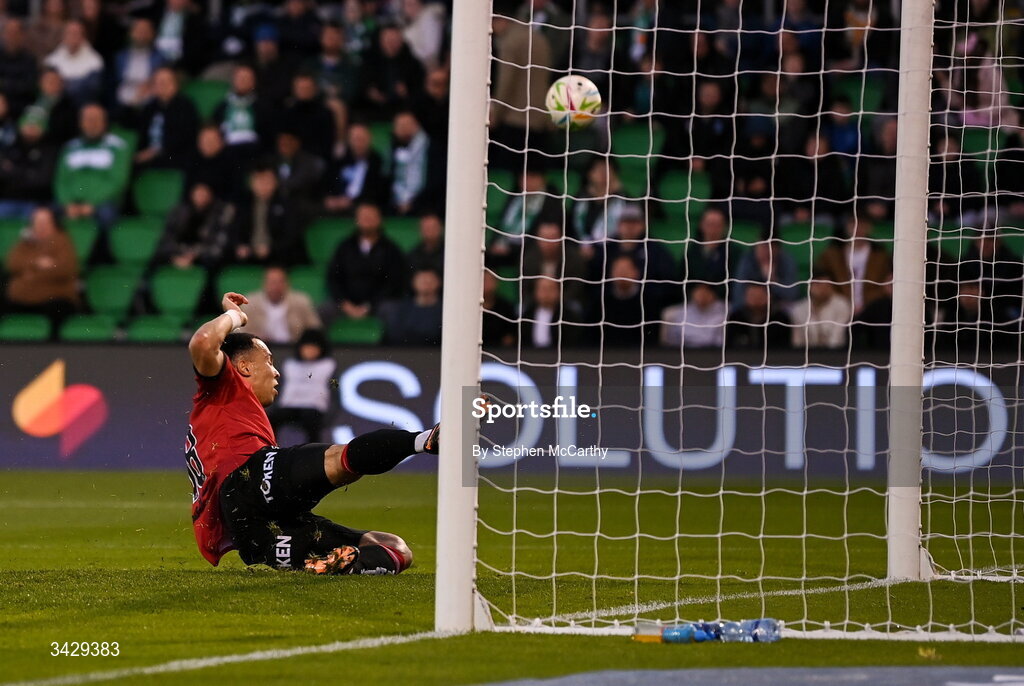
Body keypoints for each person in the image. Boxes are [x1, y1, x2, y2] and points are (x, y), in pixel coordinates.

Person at [185, 291, 440, 574]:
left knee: (394, 548)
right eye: (268, 361)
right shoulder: (222, 387)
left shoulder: (232, 412)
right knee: (337, 459)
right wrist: (236, 317)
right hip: (247, 483)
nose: (276, 372)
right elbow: (203, 342)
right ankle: (425, 440)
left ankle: (340, 565)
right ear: (243, 367)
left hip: (255, 536)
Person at [55, 104, 131, 233]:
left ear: (105, 122)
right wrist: (67, 203)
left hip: (103, 203)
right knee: (44, 215)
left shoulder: (118, 147)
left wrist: (92, 203)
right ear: (81, 123)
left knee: (106, 216)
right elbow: (61, 180)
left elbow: (118, 181)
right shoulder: (70, 148)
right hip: (72, 202)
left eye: (96, 119)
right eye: (88, 119)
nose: (92, 123)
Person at [326, 202, 408, 319]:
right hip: (346, 304)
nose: (367, 220)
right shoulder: (344, 247)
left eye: (371, 217)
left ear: (380, 220)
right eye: (363, 217)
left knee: (391, 311)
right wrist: (345, 304)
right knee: (323, 311)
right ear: (356, 220)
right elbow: (333, 278)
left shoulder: (391, 249)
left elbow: (393, 284)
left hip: (379, 304)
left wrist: (369, 306)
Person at [4, 206, 79, 334]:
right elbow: (12, 263)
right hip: (22, 299)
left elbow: (65, 269)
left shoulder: (62, 241)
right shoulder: (25, 242)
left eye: (44, 222)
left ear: (53, 223)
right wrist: (38, 264)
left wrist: (29, 272)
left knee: (58, 310)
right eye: (37, 222)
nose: (41, 226)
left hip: (52, 299)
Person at [268, 328, 336, 444]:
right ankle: (271, 447)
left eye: (314, 348)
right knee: (271, 419)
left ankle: (313, 452)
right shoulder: (289, 365)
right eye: (307, 348)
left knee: (311, 422)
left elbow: (335, 391)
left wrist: (330, 414)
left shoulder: (329, 366)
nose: (310, 351)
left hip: (314, 407)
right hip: (289, 406)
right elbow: (278, 387)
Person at [135, 67, 199, 170]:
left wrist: (155, 152)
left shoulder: (185, 106)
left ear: (175, 84)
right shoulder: (150, 107)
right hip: (147, 154)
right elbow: (128, 124)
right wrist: (137, 101)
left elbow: (184, 137)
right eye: (158, 82)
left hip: (172, 155)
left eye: (165, 81)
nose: (162, 85)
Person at [158, 183, 234, 270]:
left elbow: (217, 246)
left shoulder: (217, 215)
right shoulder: (180, 212)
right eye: (198, 193)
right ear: (192, 194)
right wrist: (174, 258)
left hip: (202, 257)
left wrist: (194, 257)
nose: (201, 197)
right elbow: (167, 239)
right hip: (178, 253)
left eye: (204, 194)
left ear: (210, 195)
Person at [240, 266, 323, 345]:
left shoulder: (301, 302)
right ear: (264, 283)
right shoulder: (250, 303)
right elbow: (239, 331)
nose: (275, 287)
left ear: (287, 283)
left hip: (293, 348)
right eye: (272, 282)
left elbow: (315, 329)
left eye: (280, 282)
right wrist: (254, 338)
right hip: (259, 350)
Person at [324, 122, 385, 214]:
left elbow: (376, 192)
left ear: (370, 139)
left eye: (362, 139)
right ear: (349, 140)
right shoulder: (340, 160)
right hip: (338, 203)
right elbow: (329, 183)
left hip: (362, 204)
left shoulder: (377, 161)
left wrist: (352, 201)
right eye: (356, 139)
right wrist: (332, 199)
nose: (359, 143)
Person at [44, 19, 104, 105]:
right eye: (69, 33)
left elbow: (92, 89)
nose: (72, 37)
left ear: (83, 37)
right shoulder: (53, 59)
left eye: (76, 33)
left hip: (81, 105)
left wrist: (63, 85)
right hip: (56, 105)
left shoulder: (95, 61)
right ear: (63, 37)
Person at [379, 267, 443, 345]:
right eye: (422, 280)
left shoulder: (444, 310)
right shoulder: (401, 309)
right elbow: (395, 335)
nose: (426, 283)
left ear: (439, 282)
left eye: (430, 281)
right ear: (413, 282)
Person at [789, 271, 852, 349]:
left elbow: (837, 338)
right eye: (819, 285)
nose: (823, 289)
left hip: (836, 355)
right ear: (809, 286)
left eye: (827, 285)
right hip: (807, 356)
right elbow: (797, 342)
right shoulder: (798, 309)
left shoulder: (842, 305)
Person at [659, 283, 727, 349]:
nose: (702, 295)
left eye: (706, 291)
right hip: (684, 352)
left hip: (714, 354)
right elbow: (671, 342)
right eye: (699, 292)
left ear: (713, 294)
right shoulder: (677, 313)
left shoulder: (725, 312)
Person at [389, 110, 429, 215]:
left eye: (407, 125)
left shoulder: (429, 148)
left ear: (417, 125)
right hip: (396, 204)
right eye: (400, 126)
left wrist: (413, 203)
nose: (404, 129)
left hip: (424, 204)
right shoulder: (392, 149)